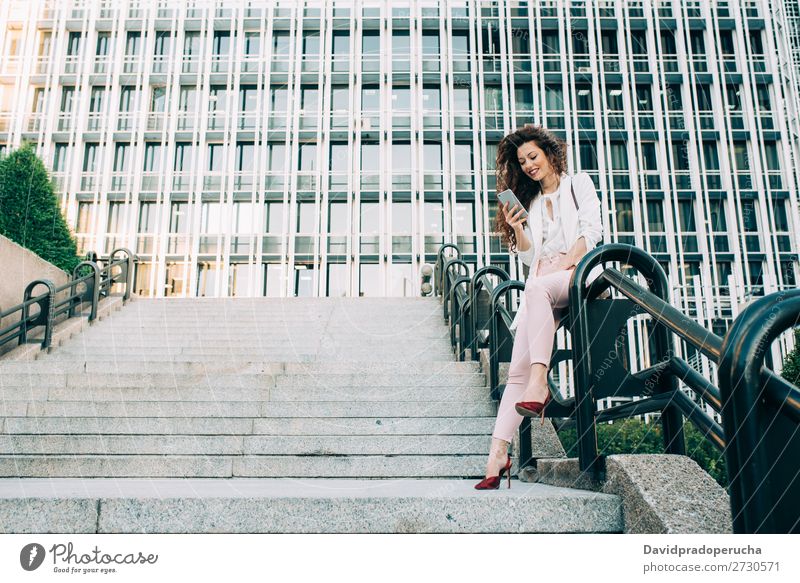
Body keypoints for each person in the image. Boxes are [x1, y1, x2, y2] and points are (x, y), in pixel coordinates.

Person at [475, 125, 603, 489]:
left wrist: (562, 264)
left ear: (549, 153)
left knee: (538, 290)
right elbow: (530, 258)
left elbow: (591, 232)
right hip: (542, 286)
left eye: (533, 156)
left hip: (577, 276)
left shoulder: (578, 184)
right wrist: (518, 229)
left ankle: (540, 381)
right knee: (515, 373)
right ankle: (497, 455)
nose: (529, 165)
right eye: (522, 161)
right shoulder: (529, 202)